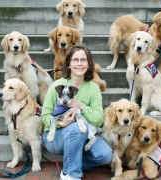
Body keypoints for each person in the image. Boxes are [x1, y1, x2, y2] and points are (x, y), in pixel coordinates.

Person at [41, 44, 113, 180]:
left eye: (83, 60)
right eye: (75, 60)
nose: (79, 64)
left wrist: (82, 107)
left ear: (89, 64)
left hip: (84, 136)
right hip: (55, 137)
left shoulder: (93, 88)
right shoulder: (56, 86)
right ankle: (71, 175)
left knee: (105, 155)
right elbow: (44, 116)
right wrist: (61, 123)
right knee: (77, 127)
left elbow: (98, 120)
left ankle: (71, 165)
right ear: (68, 64)